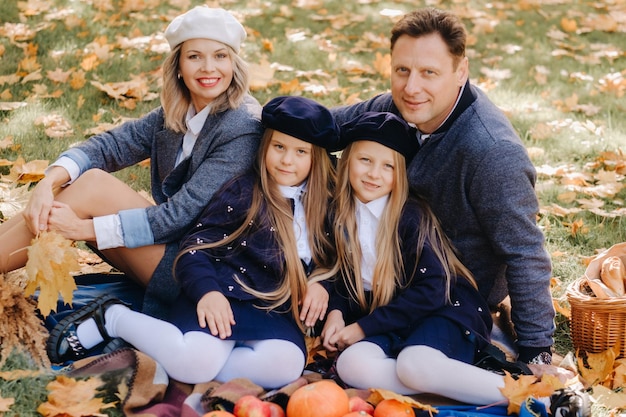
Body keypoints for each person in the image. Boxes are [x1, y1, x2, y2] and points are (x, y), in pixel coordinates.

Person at [46, 96, 340, 389]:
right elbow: (194, 248)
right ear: (265, 147)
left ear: (316, 157)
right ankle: (114, 318)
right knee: (195, 364)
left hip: (271, 310)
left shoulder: (323, 205)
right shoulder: (244, 193)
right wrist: (207, 292)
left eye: (301, 151)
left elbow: (331, 262)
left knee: (286, 366)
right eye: (279, 147)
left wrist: (320, 284)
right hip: (220, 292)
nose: (288, 160)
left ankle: (170, 350)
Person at [0, 6, 263, 318]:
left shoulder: (242, 125)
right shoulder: (178, 113)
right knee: (67, 186)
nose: (209, 68)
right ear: (177, 65)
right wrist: (46, 182)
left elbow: (180, 215)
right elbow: (111, 145)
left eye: (220, 56)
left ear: (234, 63)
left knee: (93, 186)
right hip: (172, 252)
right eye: (195, 56)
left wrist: (85, 229)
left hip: (205, 274)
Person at [321, 111, 589, 417]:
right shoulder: (339, 215)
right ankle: (447, 380)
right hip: (393, 317)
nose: (373, 174)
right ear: (347, 161)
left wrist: (363, 327)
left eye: (388, 167)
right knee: (351, 365)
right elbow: (338, 275)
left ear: (402, 174)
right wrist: (337, 312)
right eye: (364, 160)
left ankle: (537, 399)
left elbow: (433, 290)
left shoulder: (409, 218)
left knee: (414, 364)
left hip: (444, 308)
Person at [330, 7, 554, 365]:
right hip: (381, 284)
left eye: (429, 73)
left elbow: (524, 252)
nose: (411, 87)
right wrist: (254, 122)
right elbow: (321, 128)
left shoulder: (492, 153)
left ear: (460, 71)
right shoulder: (393, 110)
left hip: (451, 298)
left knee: (414, 368)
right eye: (402, 70)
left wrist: (536, 352)